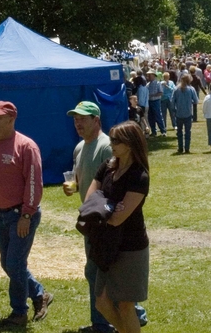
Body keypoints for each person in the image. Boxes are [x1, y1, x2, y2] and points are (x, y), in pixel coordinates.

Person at [63, 101, 147, 332]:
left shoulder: (106, 150)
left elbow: (116, 206)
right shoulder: (80, 148)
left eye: (83, 118)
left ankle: (113, 321)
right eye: (75, 118)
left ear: (96, 120)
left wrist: (101, 208)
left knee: (111, 286)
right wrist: (76, 187)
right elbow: (92, 188)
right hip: (95, 223)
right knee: (100, 282)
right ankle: (117, 320)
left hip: (120, 235)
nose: (77, 122)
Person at [0, 101, 52, 327]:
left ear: (11, 119)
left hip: (22, 214)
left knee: (14, 264)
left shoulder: (26, 146)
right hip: (2, 214)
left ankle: (19, 312)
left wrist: (27, 216)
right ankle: (39, 295)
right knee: (8, 263)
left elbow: (34, 184)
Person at [86, 121, 150, 333]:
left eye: (117, 140)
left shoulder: (139, 176)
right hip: (105, 243)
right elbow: (89, 201)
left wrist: (104, 205)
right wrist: (110, 206)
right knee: (102, 302)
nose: (112, 143)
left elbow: (117, 219)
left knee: (125, 305)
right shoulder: (107, 166)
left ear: (130, 144)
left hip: (130, 247)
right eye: (111, 138)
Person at [172, 73, 199, 154]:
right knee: (188, 132)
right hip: (188, 113)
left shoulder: (176, 89)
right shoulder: (191, 89)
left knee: (179, 132)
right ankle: (187, 148)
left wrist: (174, 110)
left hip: (179, 113)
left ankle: (180, 148)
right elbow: (196, 101)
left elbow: (172, 101)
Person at [145, 71, 166, 137]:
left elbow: (161, 92)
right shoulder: (148, 84)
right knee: (150, 117)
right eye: (148, 75)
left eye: (150, 75)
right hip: (149, 102)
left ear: (154, 76)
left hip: (156, 101)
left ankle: (163, 131)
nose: (148, 77)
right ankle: (154, 131)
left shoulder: (158, 83)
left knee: (158, 116)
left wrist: (153, 95)